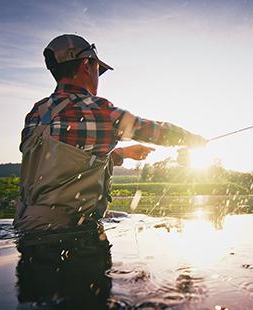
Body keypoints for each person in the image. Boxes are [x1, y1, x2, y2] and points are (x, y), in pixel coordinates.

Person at [14, 34, 206, 231]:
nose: (98, 77)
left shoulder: (37, 111)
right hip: (67, 233)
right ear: (86, 66)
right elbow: (153, 131)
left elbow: (59, 167)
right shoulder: (97, 110)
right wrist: (194, 140)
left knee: (120, 216)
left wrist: (123, 153)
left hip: (24, 223)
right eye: (98, 69)